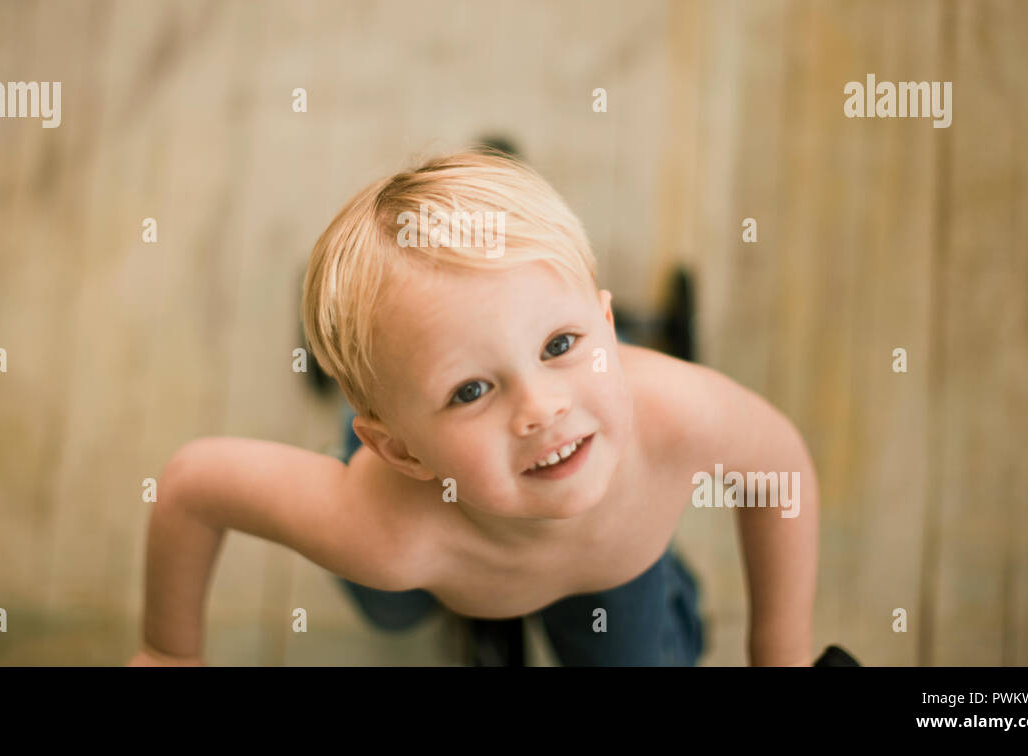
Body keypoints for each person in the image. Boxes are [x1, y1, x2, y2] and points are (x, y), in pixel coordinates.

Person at [130, 148, 819, 666]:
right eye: (471, 391)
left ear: (608, 328)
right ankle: (365, 368)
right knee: (390, 610)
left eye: (561, 343)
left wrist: (779, 650)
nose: (542, 409)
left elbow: (780, 467)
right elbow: (194, 486)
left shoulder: (679, 416)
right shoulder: (381, 530)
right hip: (438, 541)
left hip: (612, 565)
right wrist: (169, 651)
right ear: (401, 450)